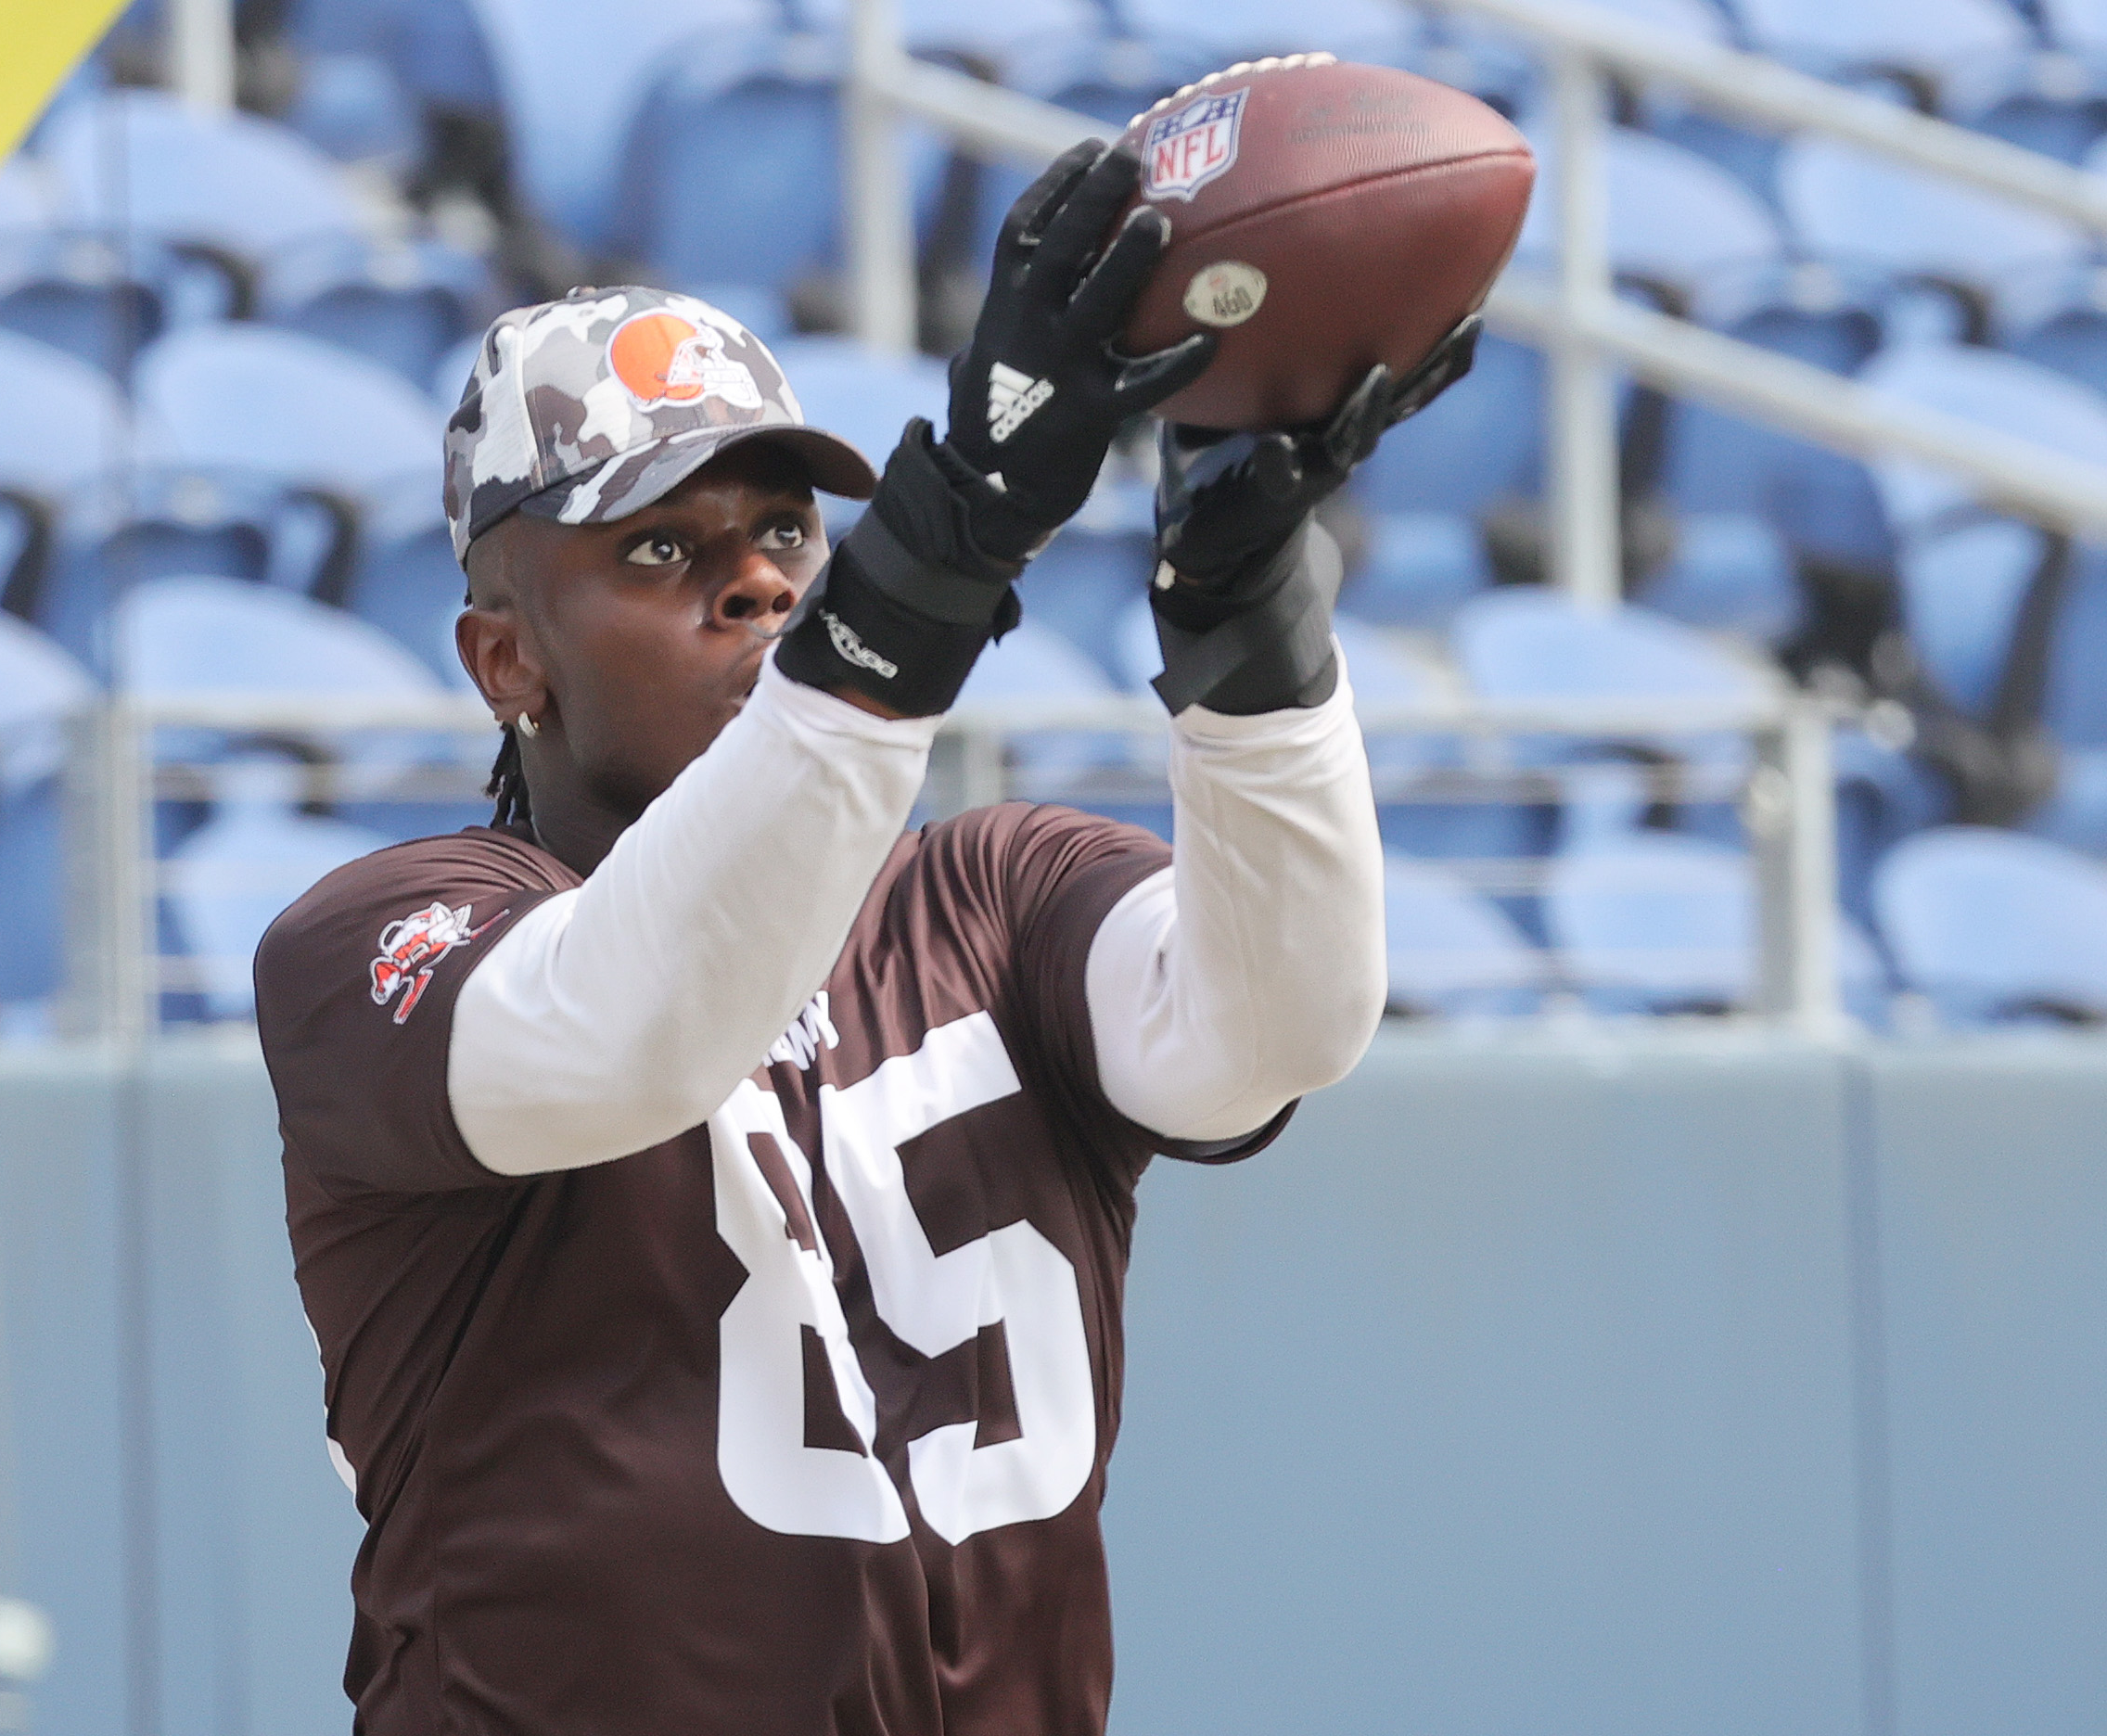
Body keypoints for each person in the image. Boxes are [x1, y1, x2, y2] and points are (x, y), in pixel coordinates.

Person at [255, 141, 1475, 1734]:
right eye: (662, 551)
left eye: (785, 537)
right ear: (508, 662)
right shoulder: (381, 939)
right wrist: (934, 557)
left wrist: (1250, 636)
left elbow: (1276, 1029)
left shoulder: (993, 896)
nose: (756, 585)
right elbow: (639, 1025)